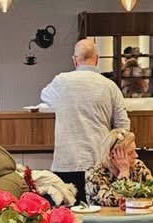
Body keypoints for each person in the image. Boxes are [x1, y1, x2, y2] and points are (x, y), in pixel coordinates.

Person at [41, 38, 130, 202]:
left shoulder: (61, 81)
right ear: (97, 59)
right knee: (100, 212)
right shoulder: (110, 86)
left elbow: (45, 96)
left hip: (66, 162)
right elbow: (123, 127)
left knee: (68, 213)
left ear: (75, 60)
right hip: (99, 164)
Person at [84, 128, 153, 207]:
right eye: (130, 153)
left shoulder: (138, 167)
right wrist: (124, 173)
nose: (136, 155)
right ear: (112, 155)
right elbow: (109, 202)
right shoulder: (94, 174)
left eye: (135, 150)